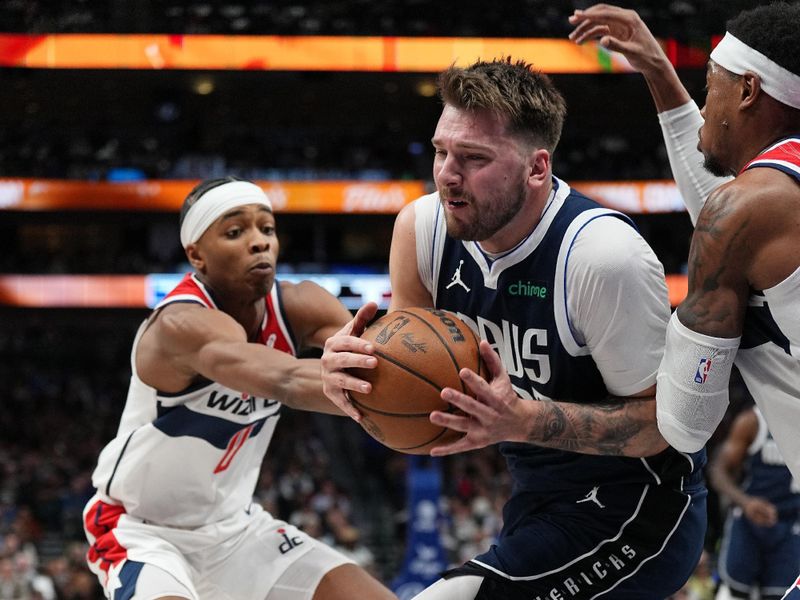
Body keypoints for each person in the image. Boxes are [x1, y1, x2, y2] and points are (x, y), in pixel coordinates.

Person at [321, 58, 707, 599]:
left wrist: (523, 419)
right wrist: (354, 382)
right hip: (535, 501)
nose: (447, 174)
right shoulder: (421, 230)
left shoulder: (601, 257)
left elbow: (665, 427)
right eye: (441, 151)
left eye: (474, 158)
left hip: (641, 512)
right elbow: (416, 410)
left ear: (536, 167)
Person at [568, 3, 800, 597]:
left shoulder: (747, 211)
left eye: (709, 88)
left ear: (748, 90)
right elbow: (723, 205)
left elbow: (687, 422)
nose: (705, 110)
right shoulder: (764, 204)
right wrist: (658, 72)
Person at [81, 177, 396, 600]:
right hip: (141, 530)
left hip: (236, 529)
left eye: (267, 229)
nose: (259, 242)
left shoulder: (301, 304)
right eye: (235, 232)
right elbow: (284, 378)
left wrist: (436, 393)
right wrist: (365, 389)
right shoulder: (179, 325)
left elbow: (384, 369)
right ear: (196, 255)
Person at [710, 402, 800, 600]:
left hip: (790, 525)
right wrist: (745, 502)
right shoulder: (753, 420)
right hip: (749, 520)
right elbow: (718, 470)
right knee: (735, 591)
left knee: (782, 595)